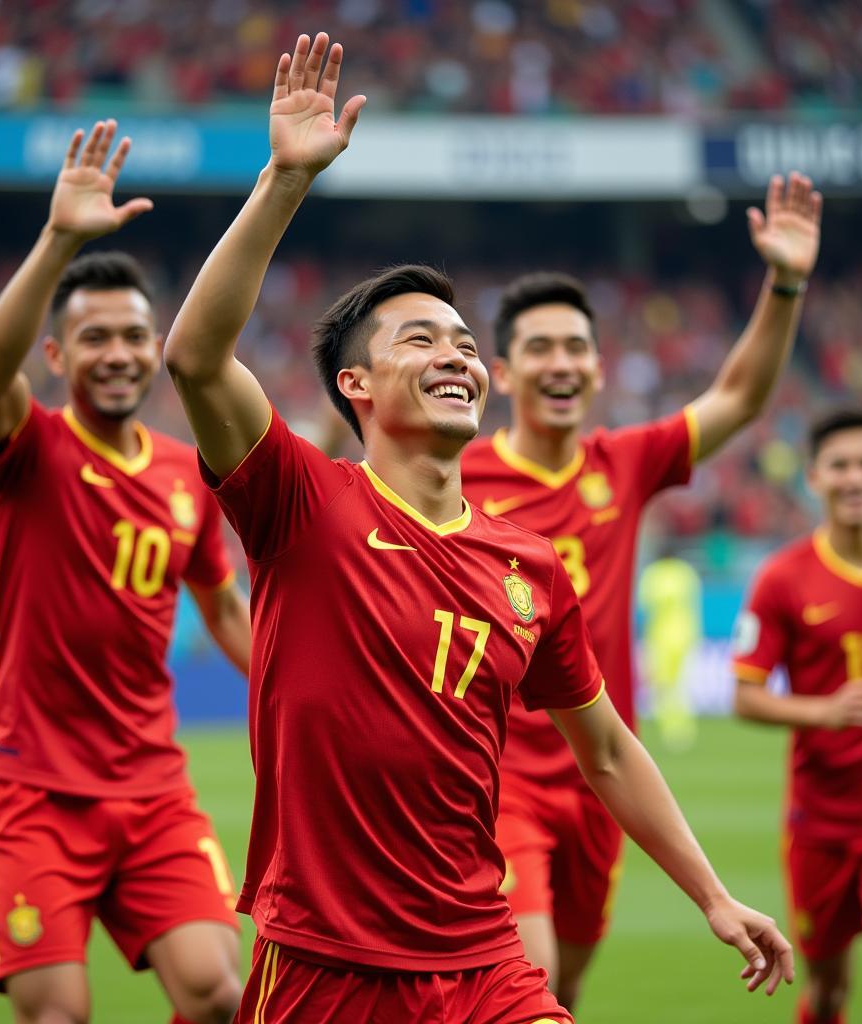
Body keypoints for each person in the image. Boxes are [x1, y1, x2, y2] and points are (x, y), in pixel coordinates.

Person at [164, 31, 794, 1023]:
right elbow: (196, 358)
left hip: (477, 955)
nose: (455, 354)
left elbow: (609, 751)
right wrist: (285, 181)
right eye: (420, 338)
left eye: (464, 342)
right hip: (324, 959)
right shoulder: (301, 503)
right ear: (354, 385)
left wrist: (713, 895)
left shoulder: (530, 566)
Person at [458, 175, 822, 1004]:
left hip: (603, 774)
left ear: (596, 365)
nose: (563, 363)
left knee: (567, 984)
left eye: (576, 347)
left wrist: (786, 282)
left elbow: (739, 396)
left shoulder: (623, 462)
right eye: (542, 348)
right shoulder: (457, 473)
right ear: (506, 373)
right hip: (496, 771)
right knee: (530, 973)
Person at [0, 120, 250, 1024]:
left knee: (219, 996)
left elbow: (226, 608)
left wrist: (306, 681)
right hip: (32, 786)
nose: (119, 352)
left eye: (134, 334)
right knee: (60, 1015)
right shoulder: (31, 450)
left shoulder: (184, 471)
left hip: (152, 784)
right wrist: (60, 240)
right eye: (94, 338)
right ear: (57, 357)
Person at [732, 409, 862, 1024]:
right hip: (819, 822)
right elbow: (745, 695)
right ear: (814, 477)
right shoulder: (781, 579)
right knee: (825, 992)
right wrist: (823, 711)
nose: (855, 478)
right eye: (840, 466)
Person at [637, 548, 702, 751]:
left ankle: (673, 730)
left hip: (661, 638)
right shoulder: (686, 572)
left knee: (663, 685)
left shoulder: (653, 574)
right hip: (685, 635)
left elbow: (644, 604)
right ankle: (683, 728)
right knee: (677, 684)